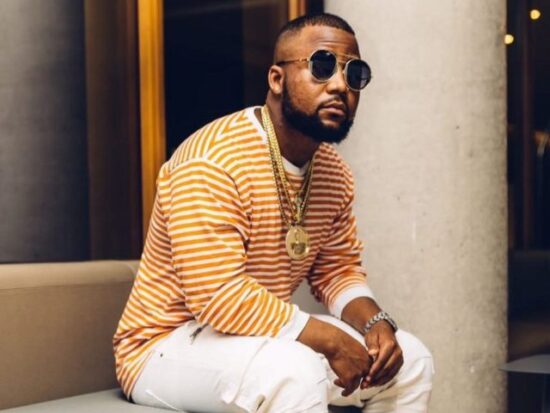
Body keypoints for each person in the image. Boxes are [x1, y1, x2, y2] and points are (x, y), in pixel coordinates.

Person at [113, 13, 434, 413]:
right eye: (321, 66)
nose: (340, 85)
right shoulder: (213, 159)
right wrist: (330, 340)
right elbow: (218, 297)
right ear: (277, 80)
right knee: (294, 371)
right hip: (164, 347)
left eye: (355, 74)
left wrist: (376, 324)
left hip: (258, 338)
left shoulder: (333, 173)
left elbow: (337, 271)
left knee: (411, 359)